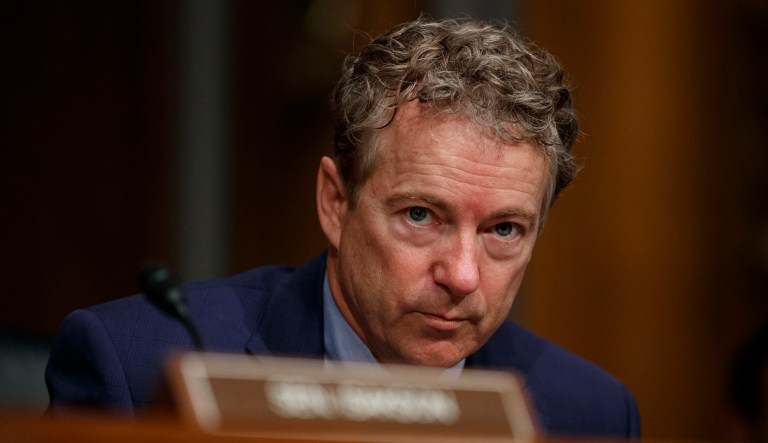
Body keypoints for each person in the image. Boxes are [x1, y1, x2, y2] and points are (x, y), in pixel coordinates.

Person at [46, 17, 641, 438]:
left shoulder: (587, 414)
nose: (462, 276)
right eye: (420, 215)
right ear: (335, 202)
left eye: (504, 230)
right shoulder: (135, 366)